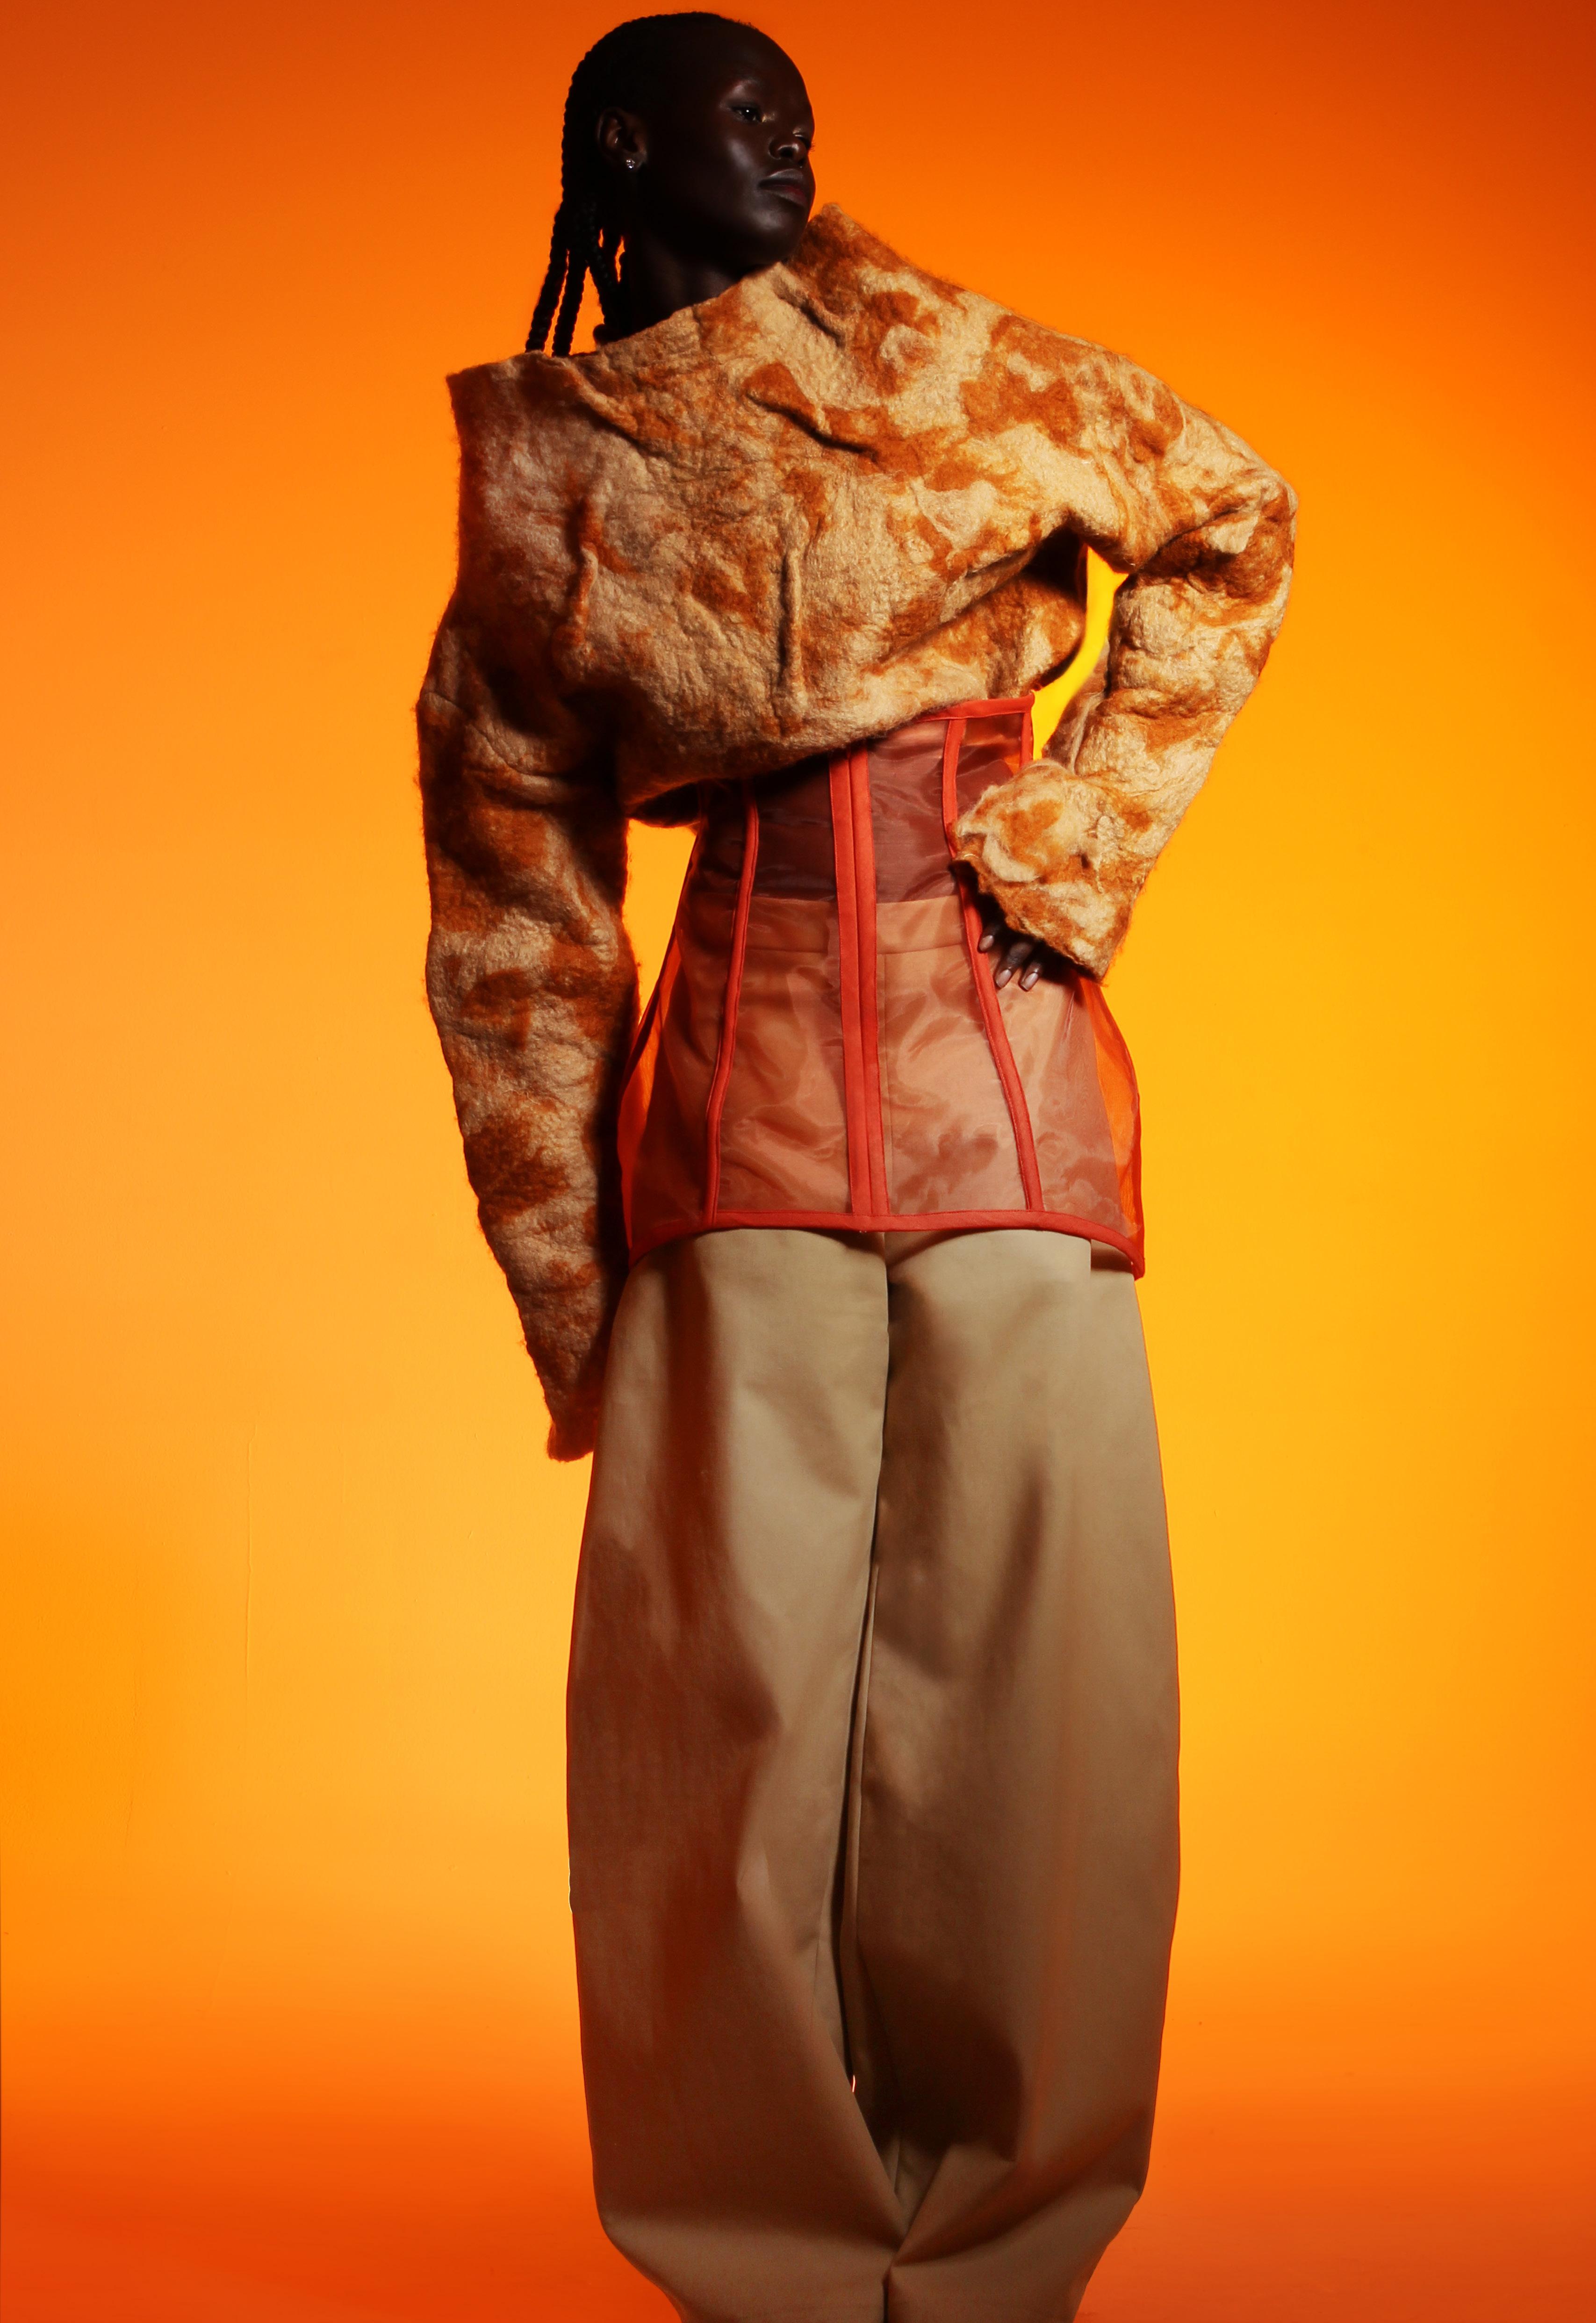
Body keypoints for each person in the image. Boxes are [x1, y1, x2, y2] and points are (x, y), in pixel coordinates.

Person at [417, 13, 1295, 2319]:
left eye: (793, 101)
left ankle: (998, 2257)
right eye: (733, 105)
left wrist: (1072, 837)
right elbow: (512, 897)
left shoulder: (969, 366)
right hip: (730, 1140)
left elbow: (1232, 518)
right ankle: (771, 2270)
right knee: (711, 1721)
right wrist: (566, 1273)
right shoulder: (549, 482)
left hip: (1014, 1111)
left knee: (1037, 1700)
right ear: (622, 150)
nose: (784, 131)